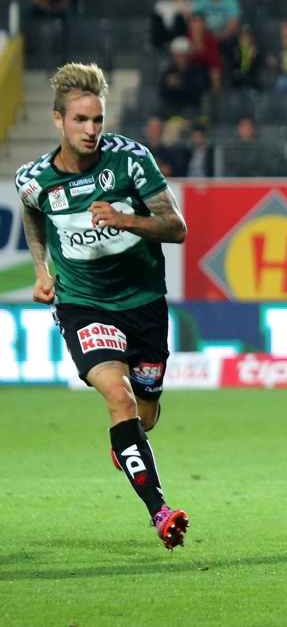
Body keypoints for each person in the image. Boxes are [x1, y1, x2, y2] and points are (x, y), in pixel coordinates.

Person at [16, 63, 189, 550]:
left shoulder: (131, 162)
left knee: (145, 417)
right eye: (80, 121)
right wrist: (41, 269)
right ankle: (161, 511)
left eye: (97, 120)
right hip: (84, 305)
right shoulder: (34, 180)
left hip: (144, 304)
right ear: (58, 120)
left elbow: (176, 228)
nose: (91, 130)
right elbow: (34, 213)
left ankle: (128, 441)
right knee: (120, 398)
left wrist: (125, 219)